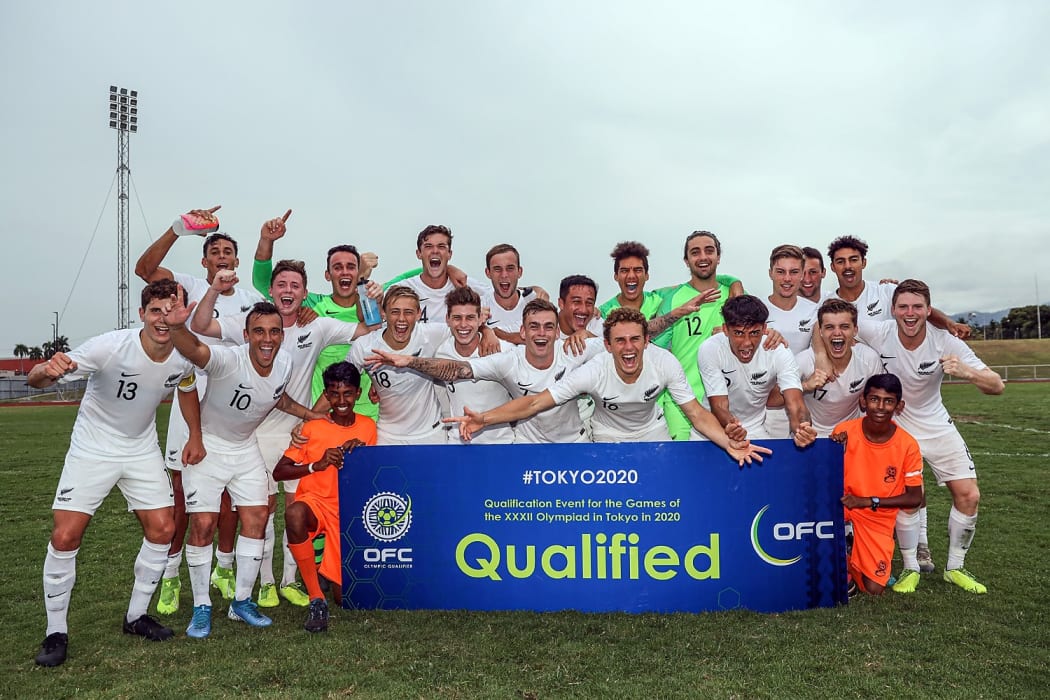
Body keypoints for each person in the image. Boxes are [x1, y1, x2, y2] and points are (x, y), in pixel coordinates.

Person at [28, 280, 202, 667]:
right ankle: (56, 632)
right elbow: (39, 379)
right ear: (141, 314)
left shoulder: (182, 354)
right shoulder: (109, 346)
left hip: (140, 447)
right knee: (66, 534)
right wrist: (45, 368)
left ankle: (136, 616)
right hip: (93, 446)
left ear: (181, 314)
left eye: (170, 311)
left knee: (163, 529)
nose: (162, 319)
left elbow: (186, 387)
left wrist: (195, 434)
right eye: (155, 310)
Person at [192, 247, 374, 609]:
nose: (288, 290)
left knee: (295, 508)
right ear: (271, 292)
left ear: (305, 293)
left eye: (295, 285)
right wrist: (213, 289)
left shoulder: (317, 325)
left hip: (297, 434)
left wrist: (367, 288)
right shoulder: (253, 322)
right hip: (255, 433)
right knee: (262, 510)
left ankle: (291, 580)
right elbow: (199, 327)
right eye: (281, 284)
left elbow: (370, 328)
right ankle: (266, 582)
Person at [165, 295, 326, 638]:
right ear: (247, 334)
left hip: (244, 447)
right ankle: (202, 606)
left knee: (257, 517)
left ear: (282, 335)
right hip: (208, 446)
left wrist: (310, 415)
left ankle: (241, 601)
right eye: (259, 332)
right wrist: (178, 326)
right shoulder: (228, 359)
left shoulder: (284, 363)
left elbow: (276, 396)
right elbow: (194, 350)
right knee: (204, 526)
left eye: (273, 332)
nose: (267, 339)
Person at [134, 207, 264, 615]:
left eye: (229, 251)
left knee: (228, 499)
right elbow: (144, 268)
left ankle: (224, 568)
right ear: (204, 261)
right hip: (189, 404)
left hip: (231, 414)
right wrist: (180, 229)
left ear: (237, 261)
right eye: (215, 252)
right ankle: (171, 576)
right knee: (179, 498)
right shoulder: (184, 287)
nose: (223, 257)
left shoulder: (251, 300)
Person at [448, 309, 772, 465]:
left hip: (652, 432)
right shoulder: (593, 370)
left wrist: (728, 444)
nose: (628, 348)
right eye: (620, 341)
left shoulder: (664, 362)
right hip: (606, 436)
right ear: (607, 344)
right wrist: (483, 419)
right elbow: (534, 403)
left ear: (648, 340)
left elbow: (696, 414)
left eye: (635, 339)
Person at [857, 279, 1004, 593]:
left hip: (937, 423)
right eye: (903, 307)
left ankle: (956, 567)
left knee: (969, 495)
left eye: (917, 307)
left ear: (928, 310)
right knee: (911, 498)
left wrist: (968, 373)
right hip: (899, 428)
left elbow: (996, 385)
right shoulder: (878, 332)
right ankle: (911, 567)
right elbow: (831, 324)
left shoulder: (944, 342)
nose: (910, 314)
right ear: (893, 310)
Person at [366, 299, 604, 443]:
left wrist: (589, 333)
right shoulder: (508, 360)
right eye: (534, 327)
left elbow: (624, 341)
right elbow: (458, 369)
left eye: (548, 327)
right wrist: (410, 361)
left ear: (556, 333)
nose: (541, 333)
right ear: (523, 332)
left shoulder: (575, 350)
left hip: (574, 443)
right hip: (526, 445)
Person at [273, 361, 376, 632]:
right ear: (327, 395)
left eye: (348, 394)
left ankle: (324, 567)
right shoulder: (312, 427)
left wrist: (362, 454)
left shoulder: (368, 427)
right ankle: (316, 597)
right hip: (316, 504)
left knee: (345, 599)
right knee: (294, 513)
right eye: (335, 394)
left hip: (348, 511)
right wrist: (315, 464)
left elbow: (377, 475)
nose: (341, 400)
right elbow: (279, 471)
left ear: (358, 393)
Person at [832, 374, 924, 596]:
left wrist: (869, 501)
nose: (880, 407)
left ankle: (851, 550)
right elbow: (823, 477)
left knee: (874, 589)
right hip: (842, 505)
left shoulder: (907, 445)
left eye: (888, 401)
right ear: (863, 401)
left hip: (876, 515)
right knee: (809, 520)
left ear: (898, 406)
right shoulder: (843, 431)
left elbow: (915, 498)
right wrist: (833, 450)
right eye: (874, 399)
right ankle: (842, 556)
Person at [651, 231, 745, 439]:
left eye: (709, 251)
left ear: (718, 257)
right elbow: (649, 337)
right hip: (683, 401)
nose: (703, 257)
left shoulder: (734, 295)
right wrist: (678, 312)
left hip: (728, 403)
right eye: (695, 252)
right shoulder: (673, 298)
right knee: (684, 468)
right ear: (686, 260)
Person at [698, 295, 817, 448]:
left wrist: (803, 428)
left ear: (765, 329)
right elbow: (719, 405)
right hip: (711, 428)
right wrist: (731, 426)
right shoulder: (710, 348)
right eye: (739, 333)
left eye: (754, 333)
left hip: (754, 429)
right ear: (725, 330)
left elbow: (796, 404)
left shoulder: (779, 351)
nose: (747, 343)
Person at [347, 285, 455, 445]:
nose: (402, 319)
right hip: (387, 436)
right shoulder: (364, 346)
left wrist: (486, 331)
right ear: (383, 313)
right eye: (395, 311)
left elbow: (466, 329)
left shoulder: (431, 334)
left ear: (419, 314)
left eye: (409, 312)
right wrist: (311, 417)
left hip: (432, 434)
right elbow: (339, 382)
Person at [436, 286, 516, 444]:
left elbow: (521, 400)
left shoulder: (504, 351)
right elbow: (443, 400)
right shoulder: (441, 354)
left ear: (481, 319)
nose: (463, 325)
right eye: (457, 318)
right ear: (448, 319)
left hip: (500, 446)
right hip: (458, 445)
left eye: (470, 318)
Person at [796, 299, 884, 436]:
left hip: (851, 433)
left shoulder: (869, 358)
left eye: (844, 326)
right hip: (812, 436)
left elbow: (879, 398)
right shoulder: (804, 360)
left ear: (855, 330)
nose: (837, 333)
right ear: (820, 331)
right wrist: (805, 385)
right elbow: (773, 400)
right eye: (830, 327)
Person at [390, 224, 486, 325]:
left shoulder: (465, 284)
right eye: (428, 246)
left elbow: (496, 299)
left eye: (441, 246)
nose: (435, 251)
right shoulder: (403, 289)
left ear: (449, 254)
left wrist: (485, 330)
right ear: (419, 253)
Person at [480, 243, 548, 343]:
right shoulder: (479, 307)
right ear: (488, 273)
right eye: (497, 269)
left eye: (510, 268)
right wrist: (483, 329)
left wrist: (495, 333)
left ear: (519, 272)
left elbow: (544, 339)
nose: (504, 275)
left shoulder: (536, 301)